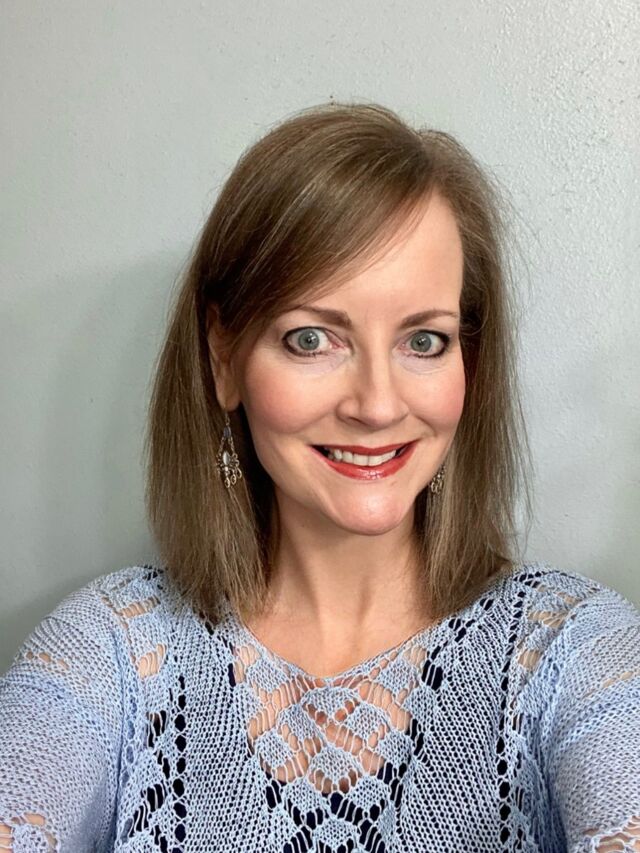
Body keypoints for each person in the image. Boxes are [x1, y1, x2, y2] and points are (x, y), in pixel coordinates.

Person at [0, 102, 638, 853]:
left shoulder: (576, 651)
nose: (377, 404)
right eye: (312, 339)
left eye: (424, 341)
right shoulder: (106, 652)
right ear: (223, 358)